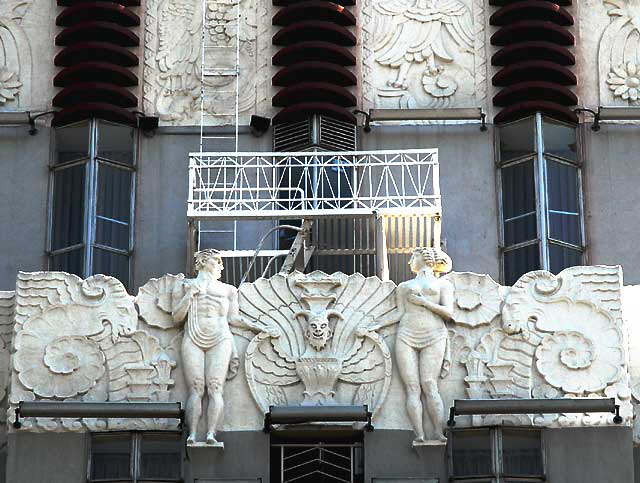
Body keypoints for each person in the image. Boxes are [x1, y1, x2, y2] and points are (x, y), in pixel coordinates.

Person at [171, 249, 243, 445]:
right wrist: (188, 296)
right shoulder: (186, 285)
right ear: (203, 261)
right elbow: (176, 317)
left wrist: (260, 327)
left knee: (215, 387)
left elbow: (234, 319)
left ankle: (211, 433)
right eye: (216, 261)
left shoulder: (229, 290)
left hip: (220, 338)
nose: (220, 266)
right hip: (193, 336)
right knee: (195, 388)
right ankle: (193, 434)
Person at [394, 247, 453, 444]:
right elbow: (398, 314)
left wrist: (423, 302)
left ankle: (438, 432)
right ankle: (419, 434)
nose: (410, 260)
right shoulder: (403, 286)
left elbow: (449, 312)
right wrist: (374, 326)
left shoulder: (443, 284)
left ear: (424, 257)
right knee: (412, 387)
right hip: (406, 334)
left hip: (434, 334)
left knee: (429, 384)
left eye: (413, 256)